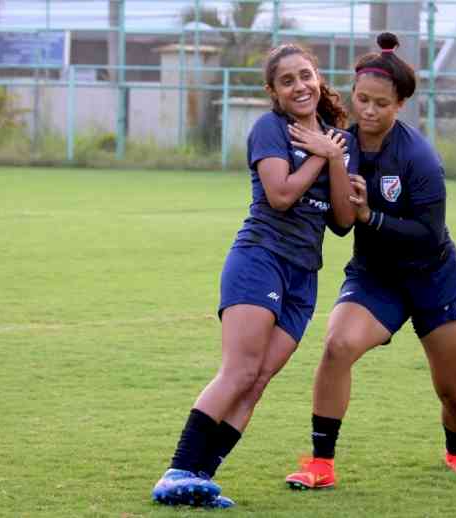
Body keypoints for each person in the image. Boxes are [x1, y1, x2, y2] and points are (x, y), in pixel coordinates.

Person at [151, 43, 358, 508]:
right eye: (287, 81)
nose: (300, 86)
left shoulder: (335, 139)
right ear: (274, 92)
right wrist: (322, 157)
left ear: (318, 77)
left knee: (259, 378)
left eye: (305, 75)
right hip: (260, 258)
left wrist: (338, 159)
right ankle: (177, 469)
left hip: (304, 278)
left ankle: (199, 479)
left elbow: (343, 222)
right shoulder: (271, 129)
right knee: (240, 369)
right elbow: (281, 195)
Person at [285, 32, 456, 491]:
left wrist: (369, 215)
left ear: (400, 106)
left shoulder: (420, 158)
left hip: (434, 278)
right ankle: (321, 464)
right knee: (336, 347)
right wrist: (345, 205)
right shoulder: (340, 146)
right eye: (362, 100)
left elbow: (428, 234)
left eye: (381, 104)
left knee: (453, 393)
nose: (368, 111)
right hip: (376, 278)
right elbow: (339, 225)